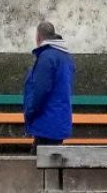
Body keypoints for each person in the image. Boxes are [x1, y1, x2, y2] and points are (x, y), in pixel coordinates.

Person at [23, 21, 75, 152]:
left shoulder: (46, 57)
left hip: (46, 122)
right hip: (59, 119)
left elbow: (40, 90)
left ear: (38, 37)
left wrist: (29, 111)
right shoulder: (65, 57)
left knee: (38, 165)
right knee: (51, 163)